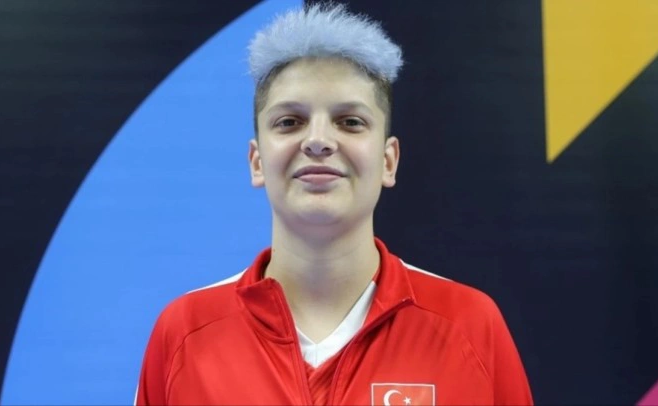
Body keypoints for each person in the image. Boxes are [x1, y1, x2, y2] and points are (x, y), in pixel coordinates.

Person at [135, 3, 533, 405]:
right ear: (257, 162)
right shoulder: (184, 333)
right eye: (290, 122)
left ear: (388, 161)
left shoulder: (469, 325)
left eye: (350, 122)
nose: (318, 141)